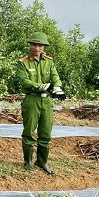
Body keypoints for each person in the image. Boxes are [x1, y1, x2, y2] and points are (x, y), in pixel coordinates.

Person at [17, 31, 66, 174]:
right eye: (34, 45)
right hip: (32, 99)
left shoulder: (49, 62)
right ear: (30, 45)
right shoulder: (23, 62)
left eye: (40, 45)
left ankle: (42, 161)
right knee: (29, 131)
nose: (37, 48)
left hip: (47, 101)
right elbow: (24, 80)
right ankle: (28, 162)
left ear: (44, 47)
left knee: (46, 132)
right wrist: (41, 86)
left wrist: (57, 88)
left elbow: (55, 76)